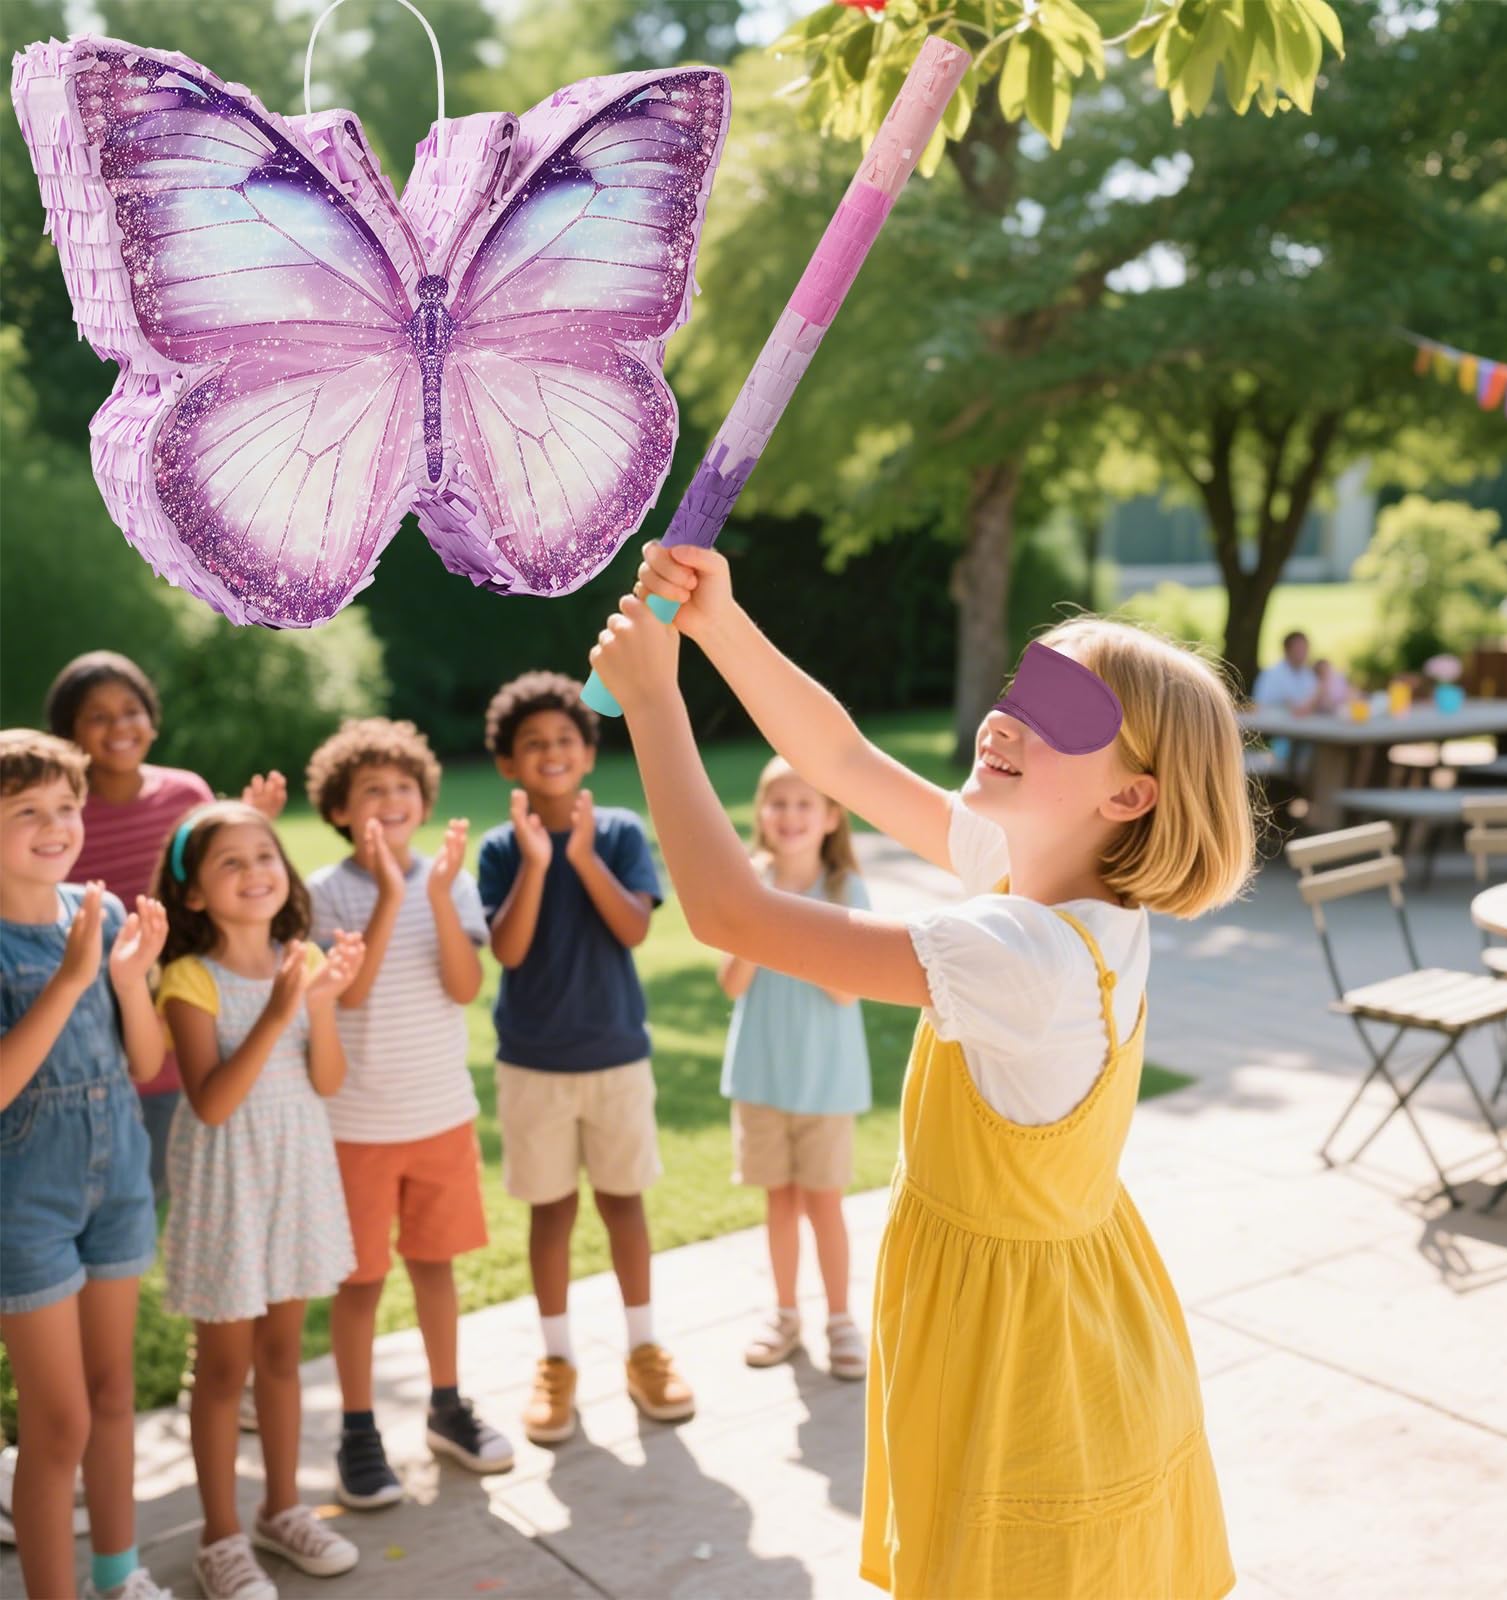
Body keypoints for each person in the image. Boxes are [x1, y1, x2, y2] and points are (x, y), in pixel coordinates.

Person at [590, 541, 1256, 1599]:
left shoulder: (1023, 954)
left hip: (1026, 1356)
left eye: (1063, 717)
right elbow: (845, 761)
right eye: (1024, 687)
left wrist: (651, 706)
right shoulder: (1048, 877)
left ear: (1128, 797)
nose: (1007, 719)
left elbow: (732, 915)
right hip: (1058, 1304)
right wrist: (720, 623)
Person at [153, 802, 364, 1600]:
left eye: (264, 856)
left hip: (296, 1176)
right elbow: (209, 1101)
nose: (255, 873)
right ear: (194, 894)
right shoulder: (189, 977)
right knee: (223, 1369)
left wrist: (314, 1002)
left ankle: (283, 1508)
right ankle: (219, 1537)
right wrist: (278, 1012)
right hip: (228, 1188)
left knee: (283, 1356)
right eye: (230, 863)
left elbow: (329, 1080)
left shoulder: (298, 959)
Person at [476, 670, 692, 1446]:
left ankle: (643, 1349)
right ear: (508, 764)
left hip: (614, 1057)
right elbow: (509, 947)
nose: (550, 752)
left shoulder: (622, 833)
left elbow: (634, 930)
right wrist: (537, 863)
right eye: (532, 744)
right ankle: (557, 1362)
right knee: (551, 1212)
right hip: (533, 1064)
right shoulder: (502, 850)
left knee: (624, 1204)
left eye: (565, 739)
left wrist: (580, 856)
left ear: (589, 752)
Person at [304, 718, 512, 1508]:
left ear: (423, 801)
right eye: (370, 791)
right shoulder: (327, 893)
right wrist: (391, 895)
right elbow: (349, 992)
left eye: (401, 789)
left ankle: (447, 1405)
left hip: (440, 1119)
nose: (388, 801)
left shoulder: (450, 884)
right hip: (356, 1128)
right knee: (359, 1284)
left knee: (436, 1268)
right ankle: (358, 1431)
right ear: (337, 808)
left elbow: (465, 987)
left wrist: (424, 891)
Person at [0, 730, 170, 1600]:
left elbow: (144, 1065)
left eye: (65, 807)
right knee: (57, 1424)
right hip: (23, 1207)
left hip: (119, 1186)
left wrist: (130, 977)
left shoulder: (96, 914)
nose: (53, 824)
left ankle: (117, 1574)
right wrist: (70, 980)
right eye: (24, 810)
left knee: (112, 1399)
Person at [45, 650, 286, 1208]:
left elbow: (214, 885)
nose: (119, 726)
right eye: (97, 716)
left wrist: (251, 829)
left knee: (187, 1174)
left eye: (131, 710)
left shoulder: (186, 796)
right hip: (91, 1008)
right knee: (109, 1187)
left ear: (152, 719)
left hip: (184, 999)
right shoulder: (62, 812)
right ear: (69, 732)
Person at [718, 757, 871, 1380]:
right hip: (760, 1076)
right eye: (777, 803)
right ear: (760, 815)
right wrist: (760, 913)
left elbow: (846, 991)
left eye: (804, 803)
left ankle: (840, 1319)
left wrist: (791, 920)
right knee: (779, 1204)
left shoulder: (844, 891)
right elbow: (732, 984)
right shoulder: (747, 881)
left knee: (824, 1203)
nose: (789, 815)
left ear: (831, 817)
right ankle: (784, 1314)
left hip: (826, 1080)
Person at [1252, 630, 1341, 714]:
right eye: (1298, 648)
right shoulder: (1271, 675)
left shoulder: (1308, 675)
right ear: (1287, 649)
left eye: (1304, 648)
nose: (1303, 652)